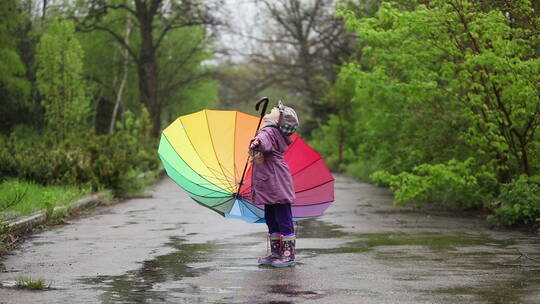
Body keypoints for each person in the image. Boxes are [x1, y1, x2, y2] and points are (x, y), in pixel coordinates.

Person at [249, 100, 299, 267]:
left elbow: (265, 140)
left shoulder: (270, 130)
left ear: (279, 120)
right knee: (271, 217)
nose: (275, 108)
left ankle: (288, 254)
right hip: (270, 181)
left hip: (276, 180)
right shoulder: (269, 129)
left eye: (278, 109)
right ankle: (276, 252)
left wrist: (257, 141)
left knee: (283, 217)